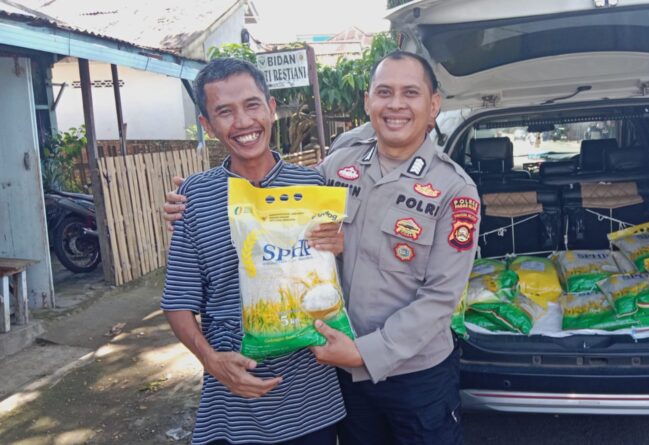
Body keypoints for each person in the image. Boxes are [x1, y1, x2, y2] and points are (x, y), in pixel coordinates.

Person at [165, 51, 479, 444]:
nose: (396, 104)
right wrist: (188, 202)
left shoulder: (454, 189)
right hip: (338, 372)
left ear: (433, 105)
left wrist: (363, 353)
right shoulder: (334, 168)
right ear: (367, 101)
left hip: (415, 374)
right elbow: (274, 202)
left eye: (410, 93)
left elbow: (441, 298)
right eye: (384, 92)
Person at [161, 58, 345, 445]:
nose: (243, 122)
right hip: (231, 401)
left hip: (311, 398)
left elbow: (338, 278)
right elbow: (178, 301)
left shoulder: (313, 186)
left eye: (252, 105)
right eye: (224, 112)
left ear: (271, 108)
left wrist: (339, 249)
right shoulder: (194, 196)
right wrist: (211, 361)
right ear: (207, 125)